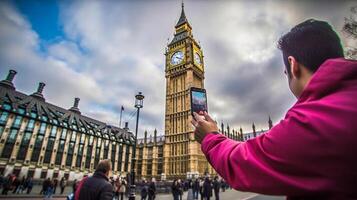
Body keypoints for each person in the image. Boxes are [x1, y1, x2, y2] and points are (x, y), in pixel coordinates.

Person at [191, 19, 357, 199]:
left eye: (286, 73)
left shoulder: (311, 121)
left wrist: (210, 137)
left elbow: (242, 164)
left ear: (293, 65)